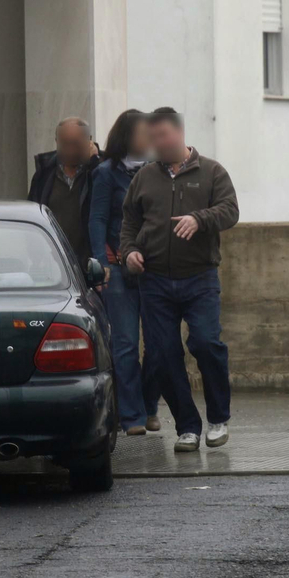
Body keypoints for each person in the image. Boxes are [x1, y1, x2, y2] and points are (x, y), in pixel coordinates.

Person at [119, 108, 239, 452]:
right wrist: (129, 253)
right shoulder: (144, 177)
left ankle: (218, 418)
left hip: (199, 277)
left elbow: (230, 210)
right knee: (162, 355)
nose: (157, 144)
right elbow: (129, 221)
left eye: (162, 136)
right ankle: (187, 426)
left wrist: (200, 219)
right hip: (154, 280)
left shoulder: (212, 171)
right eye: (151, 138)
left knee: (205, 343)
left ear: (179, 134)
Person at [89, 110, 164, 436]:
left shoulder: (157, 171)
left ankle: (150, 406)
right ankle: (131, 416)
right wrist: (101, 264)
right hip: (118, 270)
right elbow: (97, 220)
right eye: (143, 133)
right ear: (126, 137)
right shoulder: (106, 173)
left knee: (161, 346)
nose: (150, 139)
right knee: (125, 345)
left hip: (155, 269)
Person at [28, 117, 101, 262]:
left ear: (89, 141)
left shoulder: (99, 171)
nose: (70, 150)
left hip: (90, 261)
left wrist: (94, 162)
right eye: (64, 144)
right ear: (57, 141)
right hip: (52, 261)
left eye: (75, 144)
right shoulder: (44, 173)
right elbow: (32, 214)